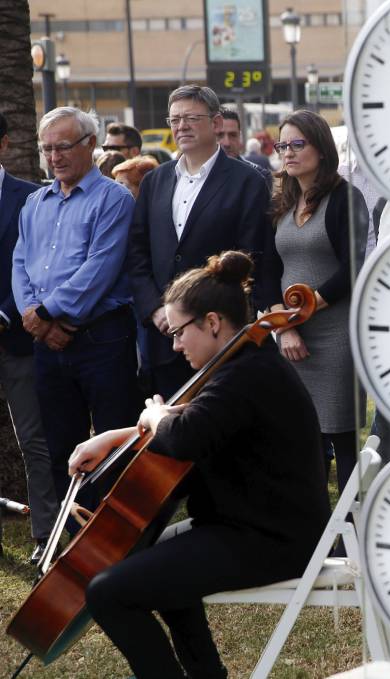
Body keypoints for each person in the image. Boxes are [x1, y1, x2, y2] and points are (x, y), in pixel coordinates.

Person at [70, 251, 329, 679]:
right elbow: (194, 424)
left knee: (107, 593)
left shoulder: (246, 375)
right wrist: (117, 437)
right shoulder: (240, 368)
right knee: (155, 562)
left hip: (273, 539)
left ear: (212, 322)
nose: (174, 345)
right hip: (249, 525)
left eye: (178, 332)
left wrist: (154, 417)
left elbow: (183, 434)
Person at [12, 107, 139, 515]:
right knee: (59, 447)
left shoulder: (114, 198)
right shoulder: (35, 202)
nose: (54, 157)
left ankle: (115, 541)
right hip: (48, 345)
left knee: (112, 445)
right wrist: (34, 316)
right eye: (47, 148)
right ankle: (72, 541)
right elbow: (20, 264)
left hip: (103, 339)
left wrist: (46, 312)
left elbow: (100, 268)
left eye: (63, 146)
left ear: (90, 145)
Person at [127, 85, 278, 399]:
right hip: (164, 338)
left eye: (191, 118)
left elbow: (253, 258)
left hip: (219, 337)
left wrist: (206, 321)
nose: (181, 126)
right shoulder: (155, 180)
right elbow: (137, 252)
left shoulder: (248, 181)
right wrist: (157, 310)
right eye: (175, 119)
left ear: (216, 123)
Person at [270, 110, 368, 496]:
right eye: (283, 146)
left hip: (335, 335)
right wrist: (287, 325)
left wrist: (307, 308)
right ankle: (312, 534)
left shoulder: (345, 197)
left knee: (342, 443)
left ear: (322, 149)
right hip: (291, 335)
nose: (288, 153)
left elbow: (353, 266)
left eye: (298, 144)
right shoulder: (281, 201)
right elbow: (268, 270)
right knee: (301, 441)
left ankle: (350, 539)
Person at [0, 111, 58, 564]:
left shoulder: (31, 198)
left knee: (33, 441)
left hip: (17, 336)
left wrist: (8, 312)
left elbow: (37, 266)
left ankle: (46, 535)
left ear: (4, 145)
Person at [217, 108, 272, 188]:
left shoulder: (260, 177)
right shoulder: (197, 175)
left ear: (240, 137)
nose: (227, 143)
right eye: (220, 135)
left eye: (233, 135)